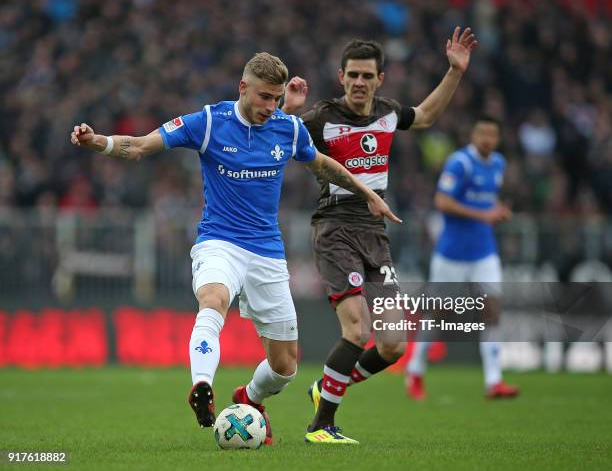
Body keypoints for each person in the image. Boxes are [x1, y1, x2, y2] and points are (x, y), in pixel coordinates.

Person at [70, 52, 400, 445]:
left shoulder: (287, 128)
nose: (271, 107)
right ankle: (202, 387)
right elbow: (140, 146)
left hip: (267, 253)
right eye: (264, 97)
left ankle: (249, 397)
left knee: (285, 366)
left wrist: (367, 194)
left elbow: (325, 166)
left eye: (277, 98)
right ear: (243, 88)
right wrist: (98, 142)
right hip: (220, 242)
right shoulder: (208, 122)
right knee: (213, 300)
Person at [281, 27, 477, 444]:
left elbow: (424, 116)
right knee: (356, 331)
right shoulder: (321, 117)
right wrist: (287, 109)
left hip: (375, 232)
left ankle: (326, 389)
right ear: (341, 76)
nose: (359, 83)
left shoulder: (387, 112)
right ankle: (321, 427)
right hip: (335, 229)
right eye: (352, 75)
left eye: (367, 76)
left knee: (392, 344)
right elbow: (278, 136)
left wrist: (455, 72)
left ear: (380, 80)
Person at [405, 116, 519, 400]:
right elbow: (442, 202)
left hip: (484, 252)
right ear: (473, 134)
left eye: (492, 135)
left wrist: (499, 211)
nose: (487, 140)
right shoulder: (460, 163)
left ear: (498, 138)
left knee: (492, 310)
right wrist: (485, 215)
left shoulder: (498, 164)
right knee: (439, 315)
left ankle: (494, 381)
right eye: (482, 133)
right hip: (451, 254)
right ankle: (415, 369)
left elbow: (486, 201)